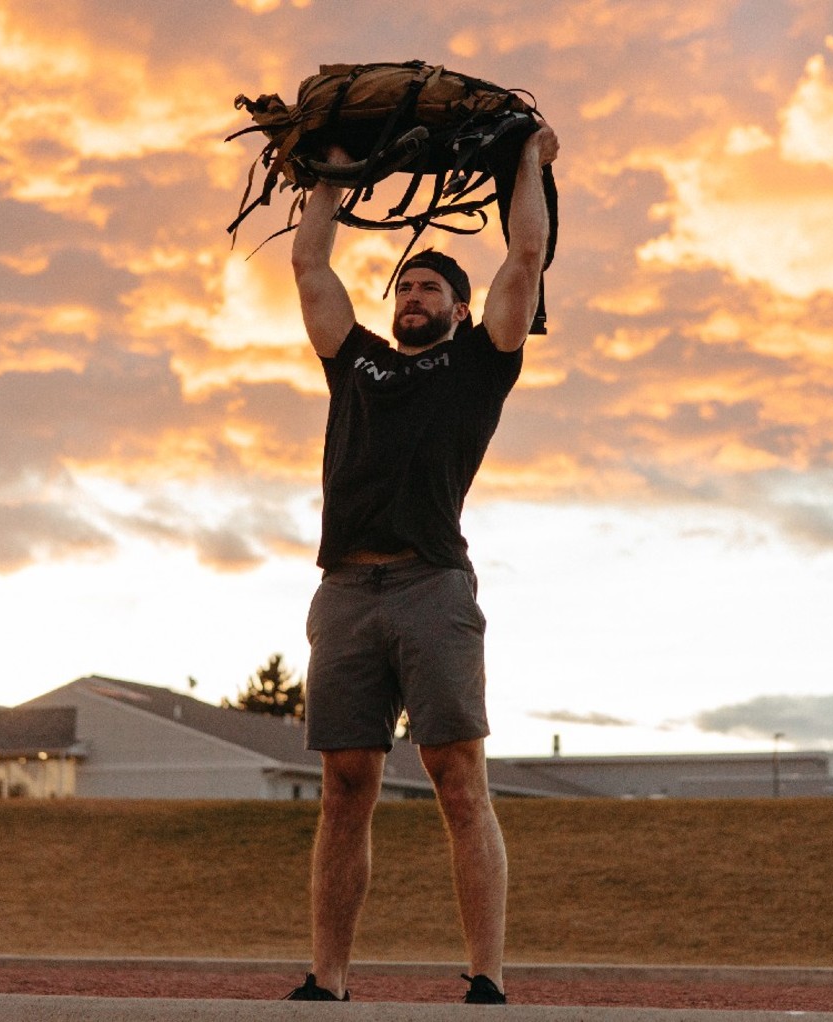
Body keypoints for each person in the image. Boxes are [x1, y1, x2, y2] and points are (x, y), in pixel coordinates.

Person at [283, 120, 559, 1005]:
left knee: (456, 780)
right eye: (405, 283)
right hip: (345, 592)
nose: (412, 294)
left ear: (458, 308)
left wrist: (526, 159)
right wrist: (330, 173)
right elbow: (310, 269)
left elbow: (523, 256)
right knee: (344, 785)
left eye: (431, 286)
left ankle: (487, 977)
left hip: (432, 586)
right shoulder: (356, 362)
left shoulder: (480, 365)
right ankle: (327, 980)